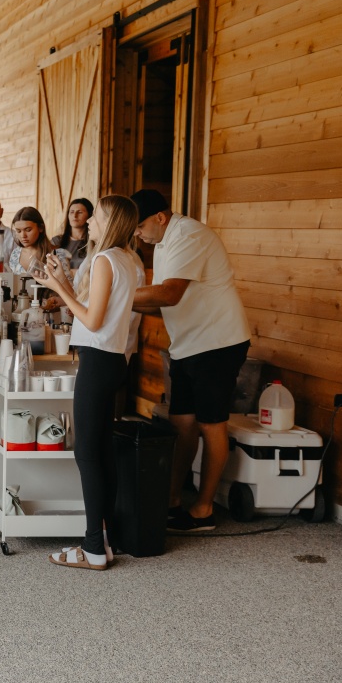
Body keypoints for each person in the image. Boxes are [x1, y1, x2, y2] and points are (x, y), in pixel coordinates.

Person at [130, 190, 251, 533]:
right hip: (187, 345)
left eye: (140, 226)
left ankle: (203, 510)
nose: (137, 234)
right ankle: (171, 500)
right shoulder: (164, 242)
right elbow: (159, 304)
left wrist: (109, 293)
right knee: (181, 423)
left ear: (160, 217)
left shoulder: (189, 235)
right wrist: (109, 305)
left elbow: (169, 293)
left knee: (212, 423)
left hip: (218, 342)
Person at [36, 195, 142, 570]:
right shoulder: (130, 260)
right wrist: (61, 281)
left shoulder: (103, 259)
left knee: (86, 453)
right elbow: (101, 311)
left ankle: (93, 547)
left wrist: (57, 287)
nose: (91, 221)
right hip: (115, 360)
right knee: (101, 451)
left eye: (97, 215)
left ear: (111, 221)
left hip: (97, 359)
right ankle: (105, 538)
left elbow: (92, 320)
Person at [52, 198, 93, 270]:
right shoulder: (56, 241)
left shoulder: (93, 242)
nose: (75, 216)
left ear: (89, 215)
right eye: (72, 212)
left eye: (80, 212)